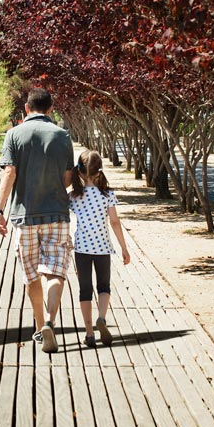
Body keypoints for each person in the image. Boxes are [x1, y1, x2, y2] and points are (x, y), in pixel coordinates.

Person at [0, 88, 75, 353]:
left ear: (26, 109)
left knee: (31, 276)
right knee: (55, 272)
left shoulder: (13, 135)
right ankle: (51, 321)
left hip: (24, 216)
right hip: (57, 215)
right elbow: (67, 179)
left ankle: (41, 327)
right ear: (51, 109)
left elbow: (9, 173)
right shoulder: (63, 136)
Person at [68, 149, 131, 348]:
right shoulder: (107, 194)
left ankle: (89, 334)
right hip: (103, 248)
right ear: (98, 172)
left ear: (79, 171)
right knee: (104, 287)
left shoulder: (74, 196)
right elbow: (114, 222)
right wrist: (124, 247)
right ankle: (102, 317)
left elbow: (63, 217)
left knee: (85, 291)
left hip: (82, 249)